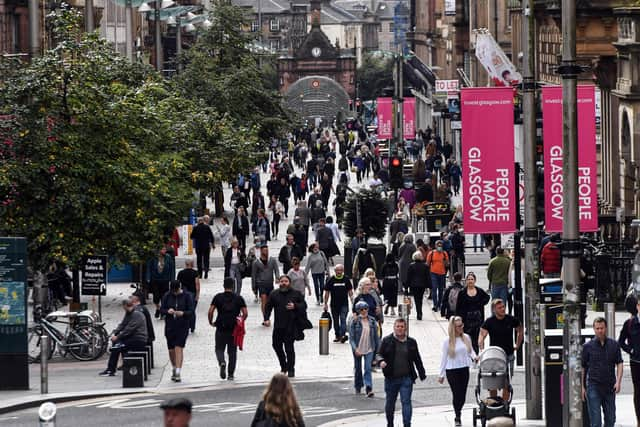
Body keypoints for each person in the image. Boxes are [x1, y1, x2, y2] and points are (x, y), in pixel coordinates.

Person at [377, 318, 427, 427]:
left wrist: (421, 372)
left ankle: (407, 424)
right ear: (394, 328)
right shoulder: (387, 340)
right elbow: (378, 354)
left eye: (402, 327)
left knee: (406, 402)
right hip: (391, 378)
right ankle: (390, 423)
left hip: (406, 378)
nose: (400, 329)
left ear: (406, 328)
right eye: (398, 326)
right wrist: (381, 361)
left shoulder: (411, 342)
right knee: (390, 403)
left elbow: (417, 358)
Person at [263, 275, 309, 378]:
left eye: (286, 281)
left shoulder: (296, 294)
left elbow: (304, 305)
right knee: (276, 345)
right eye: (281, 281)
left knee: (289, 348)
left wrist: (295, 306)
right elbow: (268, 307)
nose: (283, 283)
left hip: (291, 326)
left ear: (290, 283)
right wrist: (266, 318)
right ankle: (284, 366)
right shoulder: (274, 294)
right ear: (279, 283)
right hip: (278, 326)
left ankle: (291, 369)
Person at [478, 299, 524, 401]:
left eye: (503, 307)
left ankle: (504, 405)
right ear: (494, 310)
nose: (503, 309)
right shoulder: (489, 321)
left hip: (508, 354)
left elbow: (520, 330)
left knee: (506, 383)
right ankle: (494, 403)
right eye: (500, 308)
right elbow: (482, 335)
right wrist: (481, 348)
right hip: (495, 355)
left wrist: (517, 344)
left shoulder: (511, 319)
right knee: (493, 381)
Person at [582, 317, 624, 427]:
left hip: (610, 386)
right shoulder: (587, 347)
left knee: (610, 419)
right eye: (597, 328)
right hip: (593, 385)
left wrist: (618, 382)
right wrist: (582, 387)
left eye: (602, 328)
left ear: (606, 328)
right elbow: (583, 367)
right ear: (594, 329)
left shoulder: (614, 345)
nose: (600, 330)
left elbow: (619, 363)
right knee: (596, 421)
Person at [438, 316, 477, 426]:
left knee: (463, 395)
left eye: (462, 325)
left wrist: (475, 357)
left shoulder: (466, 337)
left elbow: (471, 351)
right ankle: (457, 415)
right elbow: (444, 358)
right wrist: (441, 374)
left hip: (464, 368)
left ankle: (458, 410)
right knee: (457, 394)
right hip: (452, 370)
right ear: (453, 328)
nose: (461, 327)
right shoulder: (447, 341)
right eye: (459, 326)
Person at [208, 277, 248, 380]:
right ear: (233, 286)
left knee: (219, 348)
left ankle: (222, 362)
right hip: (234, 328)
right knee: (232, 352)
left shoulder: (218, 297)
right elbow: (245, 313)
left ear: (223, 286)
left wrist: (211, 321)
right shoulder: (239, 298)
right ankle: (230, 374)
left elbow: (211, 311)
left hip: (221, 326)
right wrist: (241, 321)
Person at [99, 298, 148, 376]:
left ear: (125, 306)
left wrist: (118, 337)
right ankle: (112, 369)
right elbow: (123, 324)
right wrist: (115, 332)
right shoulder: (129, 313)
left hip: (138, 339)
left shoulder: (136, 314)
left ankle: (111, 369)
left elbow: (129, 329)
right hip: (132, 338)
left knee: (116, 347)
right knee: (117, 344)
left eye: (123, 307)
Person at [160, 280, 195, 382]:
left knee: (178, 347)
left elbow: (191, 311)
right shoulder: (167, 296)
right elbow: (162, 309)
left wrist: (183, 313)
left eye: (177, 291)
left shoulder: (187, 296)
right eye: (173, 291)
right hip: (170, 326)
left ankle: (178, 371)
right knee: (171, 350)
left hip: (182, 325)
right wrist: (167, 311)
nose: (175, 293)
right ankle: (174, 367)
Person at [350, 301, 380, 397]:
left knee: (367, 368)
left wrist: (378, 352)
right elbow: (351, 338)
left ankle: (368, 388)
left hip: (369, 347)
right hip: (358, 348)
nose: (364, 311)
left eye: (366, 308)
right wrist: (355, 349)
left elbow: (376, 337)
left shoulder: (372, 321)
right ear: (358, 311)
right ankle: (358, 386)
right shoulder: (354, 322)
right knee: (358, 368)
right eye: (361, 309)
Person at [456, 272, 490, 354]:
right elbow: (458, 306)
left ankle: (476, 356)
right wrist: (458, 319)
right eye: (468, 279)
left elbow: (487, 297)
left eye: (472, 279)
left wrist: (481, 303)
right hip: (466, 320)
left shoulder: (479, 291)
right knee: (467, 338)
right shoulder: (462, 292)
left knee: (476, 339)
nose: (470, 281)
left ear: (475, 280)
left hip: (478, 319)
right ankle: (468, 356)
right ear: (466, 281)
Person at [619, 297, 640, 425]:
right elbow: (621, 341)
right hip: (636, 362)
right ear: (637, 306)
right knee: (638, 392)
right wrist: (631, 350)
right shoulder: (630, 323)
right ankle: (639, 419)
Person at [323, 264, 353, 343]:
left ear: (343, 271)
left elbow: (350, 292)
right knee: (335, 321)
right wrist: (325, 303)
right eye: (337, 270)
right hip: (334, 305)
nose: (339, 272)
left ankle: (342, 335)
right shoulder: (331, 280)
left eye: (340, 270)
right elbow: (327, 292)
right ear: (335, 271)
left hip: (344, 304)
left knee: (343, 319)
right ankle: (337, 335)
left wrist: (353, 301)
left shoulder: (346, 279)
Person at [251, 243, 280, 321]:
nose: (266, 252)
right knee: (263, 299)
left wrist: (277, 278)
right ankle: (265, 318)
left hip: (270, 283)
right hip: (261, 283)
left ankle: (267, 315)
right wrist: (253, 287)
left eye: (267, 250)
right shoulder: (256, 262)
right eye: (264, 250)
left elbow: (276, 269)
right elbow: (253, 275)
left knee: (269, 302)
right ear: (261, 251)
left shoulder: (272, 260)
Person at [147, 247, 175, 319]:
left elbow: (172, 268)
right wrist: (149, 278)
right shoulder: (153, 258)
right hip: (155, 280)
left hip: (165, 280)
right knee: (156, 297)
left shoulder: (168, 258)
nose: (165, 251)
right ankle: (158, 308)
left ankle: (163, 312)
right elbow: (149, 268)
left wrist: (172, 279)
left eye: (165, 249)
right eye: (163, 249)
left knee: (164, 297)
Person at [405, 251, 431, 320]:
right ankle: (420, 312)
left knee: (416, 299)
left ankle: (418, 312)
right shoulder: (425, 266)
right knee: (420, 298)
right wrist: (429, 286)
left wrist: (406, 287)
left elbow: (408, 277)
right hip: (422, 285)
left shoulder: (411, 265)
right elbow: (427, 276)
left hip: (414, 285)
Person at [427, 240, 449, 312]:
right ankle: (435, 305)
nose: (439, 247)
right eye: (438, 245)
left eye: (440, 245)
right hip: (433, 273)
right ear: (435, 246)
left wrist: (445, 261)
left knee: (441, 290)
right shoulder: (432, 253)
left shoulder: (444, 253)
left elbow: (447, 264)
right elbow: (428, 263)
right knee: (434, 289)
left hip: (442, 273)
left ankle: (439, 304)